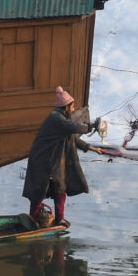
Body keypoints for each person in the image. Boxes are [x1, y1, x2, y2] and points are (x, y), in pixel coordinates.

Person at [22, 86, 103, 228]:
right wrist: (92, 127)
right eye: (72, 106)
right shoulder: (56, 119)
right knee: (38, 193)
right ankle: (32, 221)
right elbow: (75, 128)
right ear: (66, 107)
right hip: (41, 161)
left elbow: (73, 139)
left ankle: (60, 219)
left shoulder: (62, 119)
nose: (74, 108)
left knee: (60, 190)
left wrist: (93, 148)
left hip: (53, 162)